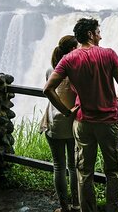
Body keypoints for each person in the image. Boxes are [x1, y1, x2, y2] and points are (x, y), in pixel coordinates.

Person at [43, 18, 118, 212]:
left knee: (84, 172)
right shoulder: (109, 54)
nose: (101, 35)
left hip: (82, 122)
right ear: (90, 34)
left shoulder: (68, 59)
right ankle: (112, 209)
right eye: (99, 32)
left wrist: (66, 111)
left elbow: (48, 89)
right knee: (113, 171)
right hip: (108, 121)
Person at [40, 35, 80, 212]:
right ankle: (77, 206)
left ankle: (64, 208)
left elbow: (50, 91)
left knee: (59, 167)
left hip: (54, 122)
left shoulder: (51, 69)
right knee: (73, 167)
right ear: (72, 50)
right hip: (72, 122)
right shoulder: (77, 70)